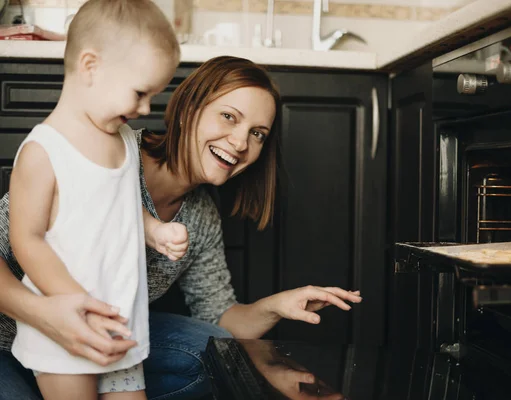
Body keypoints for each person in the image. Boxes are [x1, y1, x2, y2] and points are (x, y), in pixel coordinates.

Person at [0, 56, 362, 400]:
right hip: (10, 338)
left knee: (217, 352)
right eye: (228, 117)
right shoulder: (107, 152)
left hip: (101, 341)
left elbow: (221, 318)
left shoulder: (201, 216)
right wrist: (46, 317)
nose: (240, 143)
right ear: (189, 111)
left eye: (258, 134)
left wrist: (277, 306)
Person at [6, 0, 189, 399]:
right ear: (91, 66)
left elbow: (120, 209)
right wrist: (78, 303)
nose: (145, 109)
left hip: (119, 327)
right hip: (65, 330)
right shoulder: (44, 151)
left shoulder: (124, 141)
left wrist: (154, 230)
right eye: (140, 93)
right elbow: (27, 240)